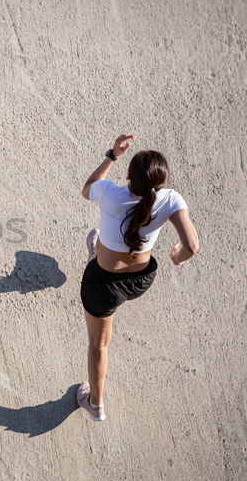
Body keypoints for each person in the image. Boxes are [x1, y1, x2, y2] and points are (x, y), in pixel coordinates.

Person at [76, 135, 200, 421]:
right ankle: (97, 250)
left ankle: (95, 403)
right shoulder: (170, 199)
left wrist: (112, 155)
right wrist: (176, 257)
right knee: (101, 243)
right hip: (140, 280)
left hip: (104, 285)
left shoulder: (110, 193)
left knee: (98, 345)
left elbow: (86, 189)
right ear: (161, 182)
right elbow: (191, 246)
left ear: (129, 176)